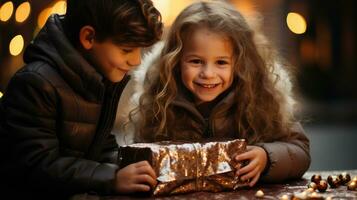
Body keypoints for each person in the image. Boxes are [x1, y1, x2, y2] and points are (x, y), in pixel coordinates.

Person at [114, 0, 310, 188]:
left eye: (221, 62)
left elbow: (300, 152)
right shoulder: (159, 105)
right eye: (196, 61)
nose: (207, 74)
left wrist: (267, 157)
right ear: (175, 62)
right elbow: (142, 159)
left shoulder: (261, 101)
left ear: (241, 65)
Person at [0, 0, 162, 199]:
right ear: (89, 37)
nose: (136, 60)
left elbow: (100, 145)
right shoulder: (35, 83)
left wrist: (131, 165)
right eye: (126, 50)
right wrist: (113, 178)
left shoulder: (96, 76)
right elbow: (37, 164)